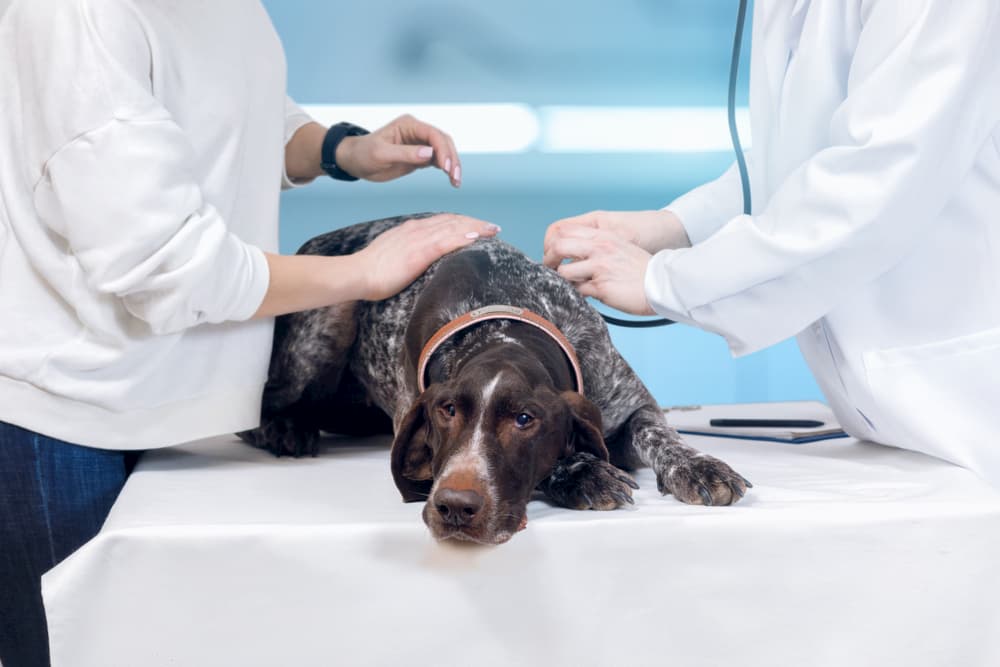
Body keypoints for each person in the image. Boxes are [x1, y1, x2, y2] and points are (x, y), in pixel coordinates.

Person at [0, 0, 497, 664]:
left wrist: (342, 149)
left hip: (176, 402)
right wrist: (361, 273)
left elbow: (220, 114)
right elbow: (168, 264)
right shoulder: (71, 15)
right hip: (65, 414)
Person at [543, 2, 1000, 486]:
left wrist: (666, 280)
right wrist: (673, 227)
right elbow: (797, 162)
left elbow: (879, 182)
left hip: (969, 411)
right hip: (896, 420)